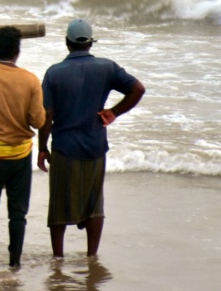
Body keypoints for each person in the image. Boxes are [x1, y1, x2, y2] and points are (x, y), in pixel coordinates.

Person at [38, 19, 145, 258]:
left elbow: (47, 115)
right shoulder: (107, 68)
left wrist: (42, 147)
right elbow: (138, 89)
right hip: (95, 145)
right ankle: (91, 255)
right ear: (90, 43)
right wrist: (114, 112)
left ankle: (58, 257)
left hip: (64, 147)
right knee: (94, 204)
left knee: (59, 205)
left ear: (67, 43)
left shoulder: (54, 73)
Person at [0, 26, 45, 268]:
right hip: (20, 156)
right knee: (17, 214)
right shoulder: (30, 80)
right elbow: (38, 120)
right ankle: (15, 263)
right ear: (18, 51)